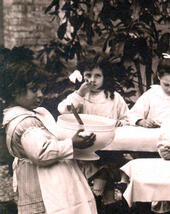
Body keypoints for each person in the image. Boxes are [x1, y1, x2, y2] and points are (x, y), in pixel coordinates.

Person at [1, 60, 98, 213]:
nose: (40, 95)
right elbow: (41, 153)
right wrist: (71, 144)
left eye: (42, 89)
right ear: (14, 91)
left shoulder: (32, 114)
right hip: (40, 186)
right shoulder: (25, 122)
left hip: (42, 181)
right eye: (34, 89)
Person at [56, 54, 131, 206]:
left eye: (97, 76)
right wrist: (79, 94)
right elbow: (63, 110)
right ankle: (96, 198)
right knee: (93, 174)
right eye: (88, 75)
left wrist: (121, 123)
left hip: (110, 147)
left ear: (105, 77)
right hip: (86, 146)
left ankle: (105, 200)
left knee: (109, 167)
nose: (92, 80)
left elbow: (127, 119)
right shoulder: (80, 96)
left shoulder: (114, 98)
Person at [128, 53, 170, 128]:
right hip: (154, 135)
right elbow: (133, 114)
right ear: (159, 76)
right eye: (166, 84)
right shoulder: (152, 94)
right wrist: (142, 122)